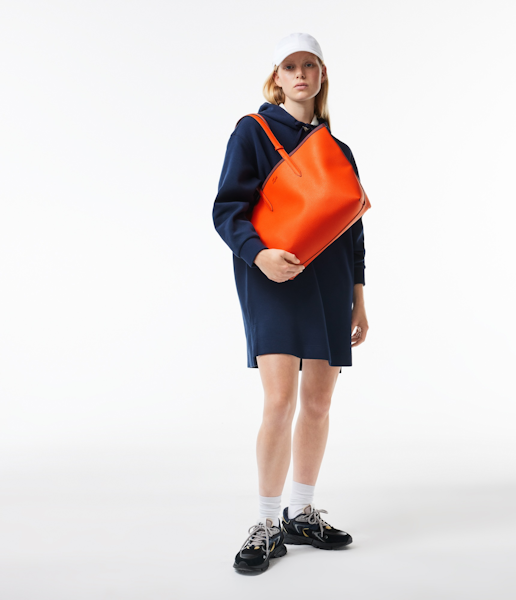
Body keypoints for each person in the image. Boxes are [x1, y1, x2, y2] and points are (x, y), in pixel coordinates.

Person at [213, 32, 369, 574]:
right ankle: (265, 522)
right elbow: (227, 209)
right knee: (279, 401)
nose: (300, 73)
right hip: (274, 278)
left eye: (310, 65)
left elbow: (353, 230)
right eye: (290, 66)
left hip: (330, 285)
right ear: (276, 77)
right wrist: (258, 256)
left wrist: (359, 298)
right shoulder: (252, 132)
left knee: (319, 403)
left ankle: (301, 512)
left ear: (322, 75)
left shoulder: (338, 149)